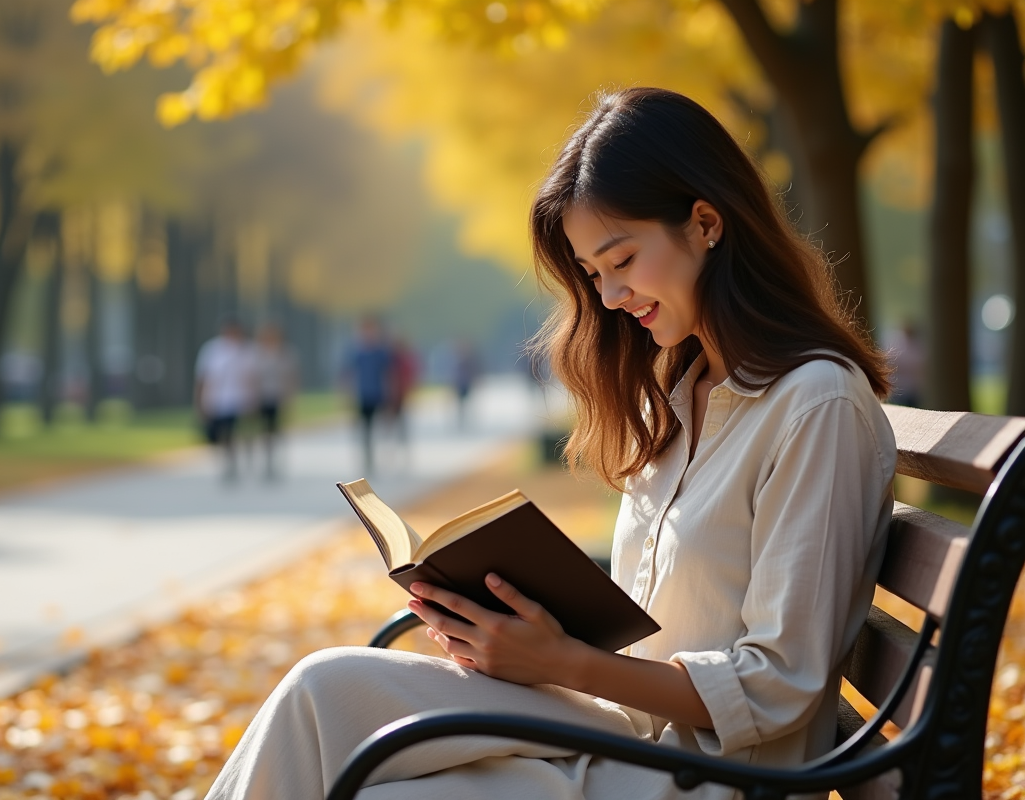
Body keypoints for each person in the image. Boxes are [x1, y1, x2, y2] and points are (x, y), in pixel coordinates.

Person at [204, 88, 895, 800]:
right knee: (322, 689)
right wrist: (509, 632)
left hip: (712, 777)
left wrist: (560, 661)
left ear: (705, 223)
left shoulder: (816, 405)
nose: (610, 297)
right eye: (594, 274)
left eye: (622, 259)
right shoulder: (679, 395)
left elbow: (780, 685)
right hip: (620, 731)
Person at [194, 321, 256, 481]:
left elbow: (253, 377)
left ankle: (241, 460)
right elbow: (203, 377)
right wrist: (200, 401)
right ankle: (229, 463)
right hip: (217, 399)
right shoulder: (212, 349)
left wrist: (253, 398)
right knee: (223, 434)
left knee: (238, 432)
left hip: (240, 399)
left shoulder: (247, 350)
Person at [343, 317, 393, 474]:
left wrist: (389, 395)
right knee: (365, 429)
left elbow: (387, 375)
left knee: (381, 428)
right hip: (362, 395)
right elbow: (348, 373)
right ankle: (367, 458)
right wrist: (347, 394)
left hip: (378, 394)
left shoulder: (380, 352)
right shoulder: (356, 352)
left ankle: (382, 458)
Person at [250, 324, 298, 479]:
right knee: (263, 430)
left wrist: (289, 397)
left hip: (278, 396)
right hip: (262, 396)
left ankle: (275, 462)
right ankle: (265, 461)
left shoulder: (285, 353)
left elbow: (291, 376)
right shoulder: (257, 353)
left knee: (276, 430)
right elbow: (252, 376)